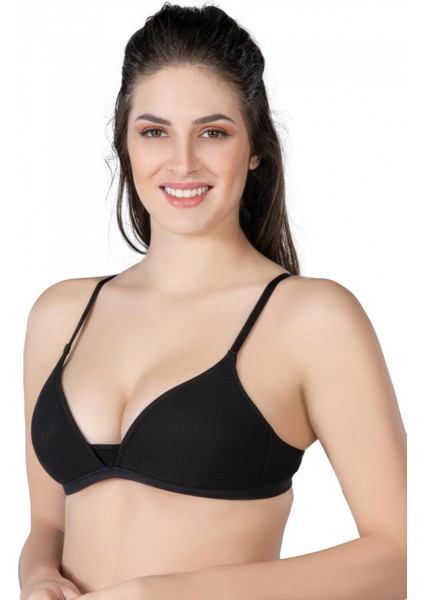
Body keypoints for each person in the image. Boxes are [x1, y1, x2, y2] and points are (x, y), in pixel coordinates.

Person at [19, 3, 406, 599]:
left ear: (255, 148)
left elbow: (400, 557)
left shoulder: (311, 319)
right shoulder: (60, 315)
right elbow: (48, 525)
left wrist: (162, 594)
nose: (182, 162)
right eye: (154, 131)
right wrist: (39, 577)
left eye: (213, 132)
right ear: (125, 144)